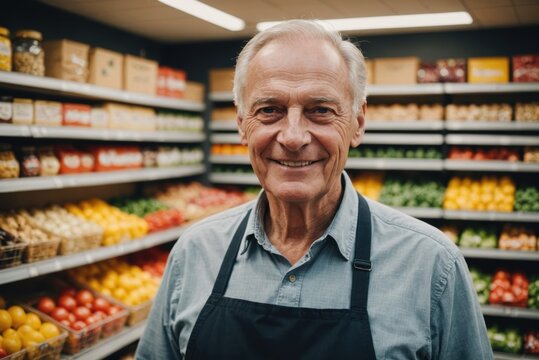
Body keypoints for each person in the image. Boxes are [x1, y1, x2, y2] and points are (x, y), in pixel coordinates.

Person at [136, 19, 492, 359]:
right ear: (242, 124)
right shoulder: (195, 253)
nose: (293, 137)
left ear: (357, 123)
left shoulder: (431, 266)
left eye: (320, 110)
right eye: (269, 109)